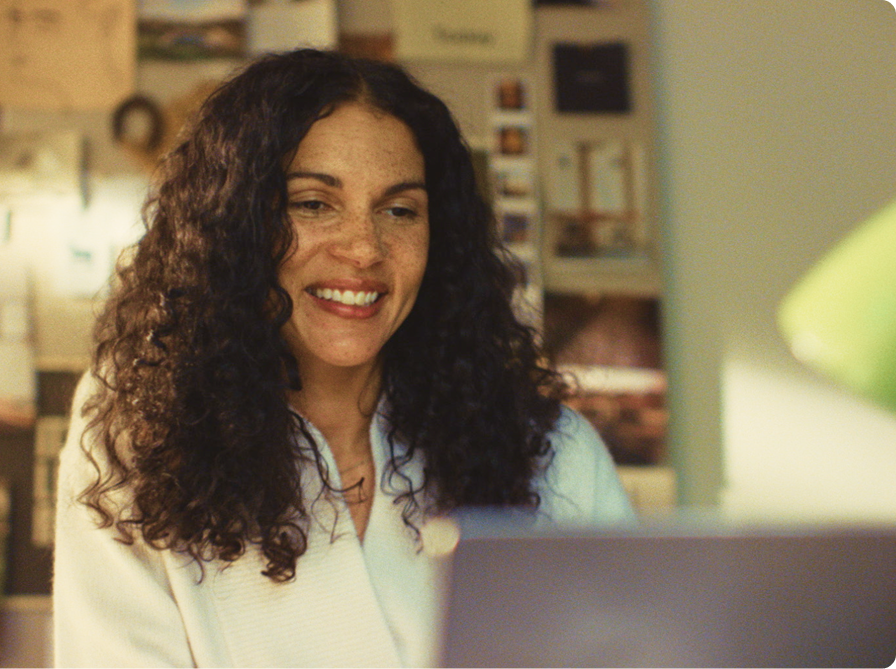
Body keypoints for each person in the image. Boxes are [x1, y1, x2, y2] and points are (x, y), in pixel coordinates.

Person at [53, 49, 634, 669]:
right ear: (235, 226)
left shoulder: (551, 453)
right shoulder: (137, 432)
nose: (364, 248)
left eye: (399, 210)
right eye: (312, 203)